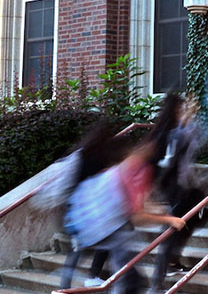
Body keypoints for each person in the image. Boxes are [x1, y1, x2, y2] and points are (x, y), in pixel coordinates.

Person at [64, 121, 186, 293]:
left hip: (91, 224)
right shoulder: (135, 171)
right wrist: (169, 219)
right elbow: (136, 216)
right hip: (107, 227)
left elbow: (134, 205)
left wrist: (158, 211)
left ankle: (80, 280)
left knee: (128, 277)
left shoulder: (115, 170)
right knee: (130, 280)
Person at [147, 93, 208, 287]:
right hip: (175, 187)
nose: (183, 111)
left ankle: (171, 262)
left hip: (180, 186)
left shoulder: (171, 131)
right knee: (172, 229)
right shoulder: (173, 133)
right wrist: (189, 122)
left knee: (197, 215)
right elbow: (195, 139)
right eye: (181, 108)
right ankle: (158, 281)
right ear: (175, 110)